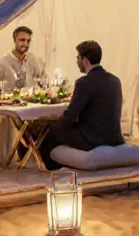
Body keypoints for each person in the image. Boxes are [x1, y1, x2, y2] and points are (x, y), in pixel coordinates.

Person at [38, 40, 124, 170]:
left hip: (93, 138)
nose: (76, 61)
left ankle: (53, 169)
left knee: (49, 135)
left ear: (85, 60)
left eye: (78, 58)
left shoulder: (84, 82)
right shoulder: (115, 80)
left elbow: (71, 116)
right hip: (114, 137)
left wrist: (52, 126)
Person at [0, 25, 46, 90]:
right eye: (22, 40)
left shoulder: (36, 61)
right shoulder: (0, 64)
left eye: (28, 41)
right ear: (14, 40)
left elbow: (44, 83)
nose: (25, 44)